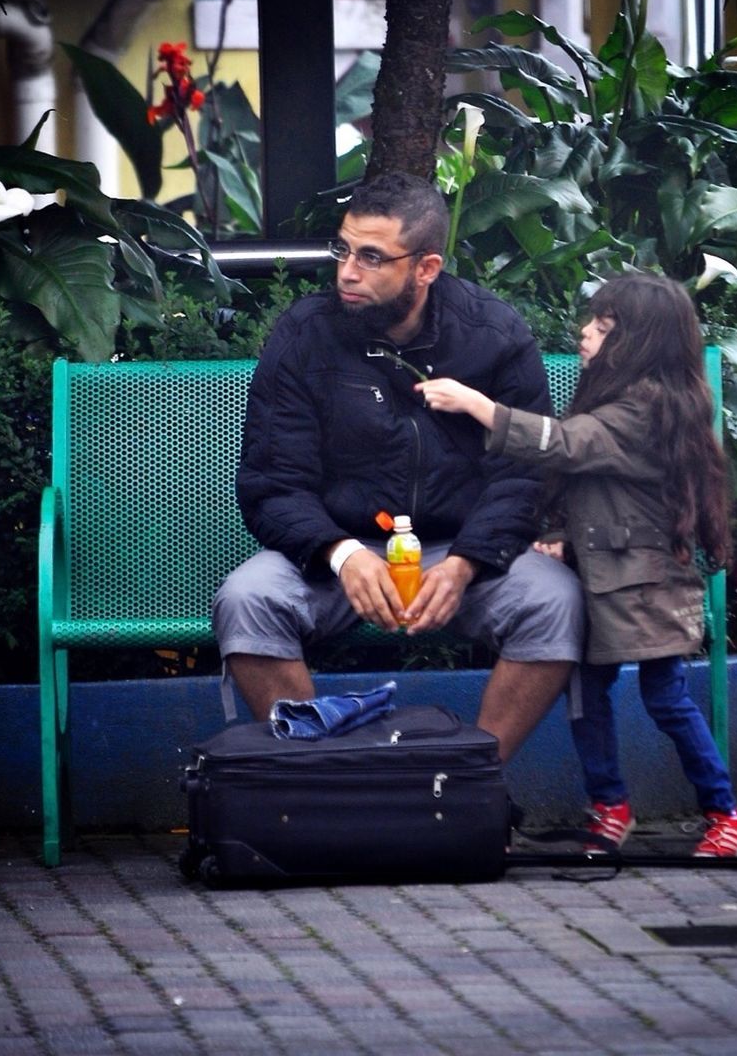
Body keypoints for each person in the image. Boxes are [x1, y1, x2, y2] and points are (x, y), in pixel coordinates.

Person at [212, 170, 585, 762]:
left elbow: (523, 476)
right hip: (339, 553)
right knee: (247, 598)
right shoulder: (304, 335)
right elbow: (273, 480)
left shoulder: (495, 335)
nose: (347, 272)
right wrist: (343, 553)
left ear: (426, 268)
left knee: (555, 601)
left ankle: (470, 788)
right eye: (343, 248)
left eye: (371, 257)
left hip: (464, 552)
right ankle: (320, 797)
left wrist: (466, 563)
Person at [416, 272, 737, 858]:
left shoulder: (649, 407)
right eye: (590, 322)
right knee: (584, 697)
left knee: (666, 697)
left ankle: (724, 814)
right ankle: (610, 807)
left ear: (641, 342)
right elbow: (593, 487)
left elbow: (566, 445)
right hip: (598, 580)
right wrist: (560, 536)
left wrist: (477, 405)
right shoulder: (618, 398)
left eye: (603, 327)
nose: (586, 333)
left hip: (645, 585)